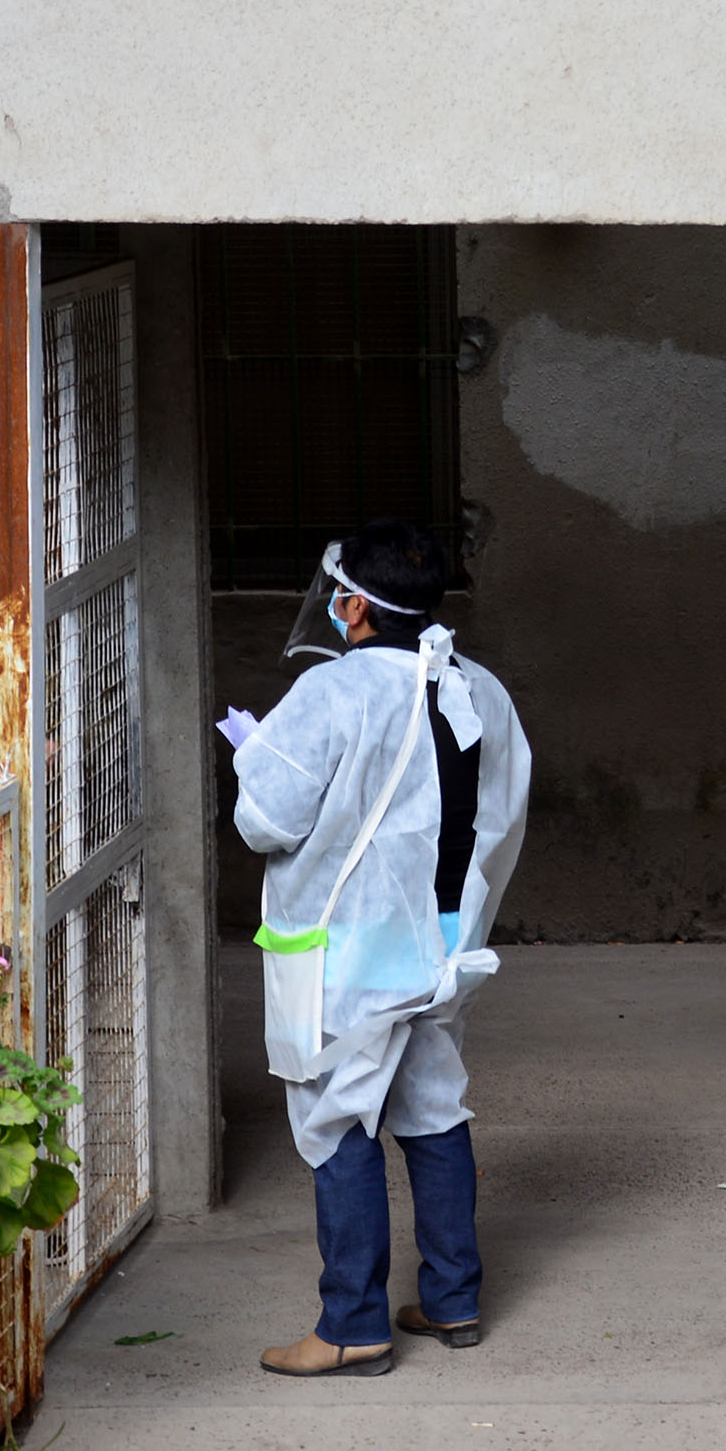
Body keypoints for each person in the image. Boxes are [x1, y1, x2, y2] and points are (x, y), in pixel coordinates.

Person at [231, 519, 532, 1376]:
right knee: (433, 1105)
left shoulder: (331, 691)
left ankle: (352, 1324)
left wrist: (257, 757)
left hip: (346, 951)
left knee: (336, 1117)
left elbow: (265, 822)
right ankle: (452, 1299)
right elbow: (501, 813)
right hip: (440, 942)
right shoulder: (478, 687)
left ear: (354, 606)